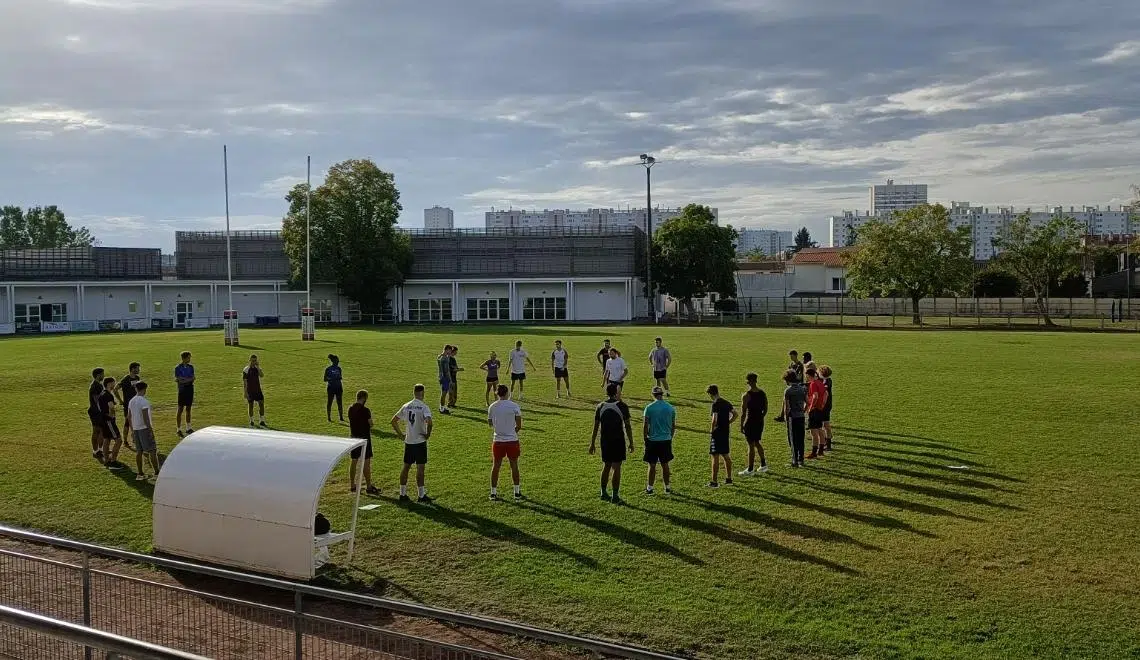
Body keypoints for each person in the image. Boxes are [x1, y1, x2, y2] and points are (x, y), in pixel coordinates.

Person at [590, 383, 633, 504]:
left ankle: (603, 492)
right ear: (616, 393)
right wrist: (631, 442)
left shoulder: (600, 406)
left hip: (605, 440)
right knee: (617, 467)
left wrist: (592, 442)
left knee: (606, 465)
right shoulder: (622, 406)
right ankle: (615, 496)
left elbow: (595, 426)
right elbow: (628, 426)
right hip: (618, 440)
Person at [390, 384, 434, 503]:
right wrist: (428, 434)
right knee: (420, 468)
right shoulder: (424, 407)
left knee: (406, 467)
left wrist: (400, 434)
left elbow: (393, 421)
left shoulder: (407, 405)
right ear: (423, 393)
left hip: (409, 441)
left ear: (414, 392)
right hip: (419, 441)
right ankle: (421, 495)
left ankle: (402, 493)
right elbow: (429, 423)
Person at [487, 384, 523, 501]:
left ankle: (493, 492)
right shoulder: (514, 406)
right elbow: (519, 425)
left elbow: (490, 423)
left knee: (496, 466)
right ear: (507, 393)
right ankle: (516, 492)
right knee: (514, 466)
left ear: (497, 393)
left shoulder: (492, 406)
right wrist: (511, 431)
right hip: (512, 440)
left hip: (498, 440)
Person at [642, 386, 676, 494]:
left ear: (653, 395)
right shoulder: (670, 408)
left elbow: (645, 425)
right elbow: (673, 425)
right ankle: (667, 487)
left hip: (652, 440)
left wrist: (645, 438)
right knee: (665, 464)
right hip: (666, 440)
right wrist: (670, 436)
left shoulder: (649, 407)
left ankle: (650, 488)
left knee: (651, 465)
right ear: (662, 394)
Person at [348, 390, 380, 495]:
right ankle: (369, 486)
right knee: (366, 462)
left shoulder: (350, 409)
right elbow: (371, 424)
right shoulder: (366, 410)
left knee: (354, 461)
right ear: (364, 398)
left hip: (353, 438)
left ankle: (352, 485)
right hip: (364, 439)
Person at [127, 381, 160, 481]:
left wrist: (132, 430)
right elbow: (146, 417)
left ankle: (140, 474)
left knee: (139, 451)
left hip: (136, 428)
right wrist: (150, 430)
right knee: (152, 450)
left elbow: (129, 417)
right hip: (144, 429)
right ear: (144, 389)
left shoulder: (131, 401)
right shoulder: (144, 401)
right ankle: (156, 473)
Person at [738, 373, 769, 476]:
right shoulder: (762, 393)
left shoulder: (746, 395)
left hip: (750, 421)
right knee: (757, 442)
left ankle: (750, 468)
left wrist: (741, 425)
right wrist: (760, 417)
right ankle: (763, 464)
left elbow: (743, 412)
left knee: (750, 445)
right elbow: (766, 409)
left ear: (748, 382)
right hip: (760, 421)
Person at [706, 385, 736, 487]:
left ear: (711, 394)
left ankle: (714, 481)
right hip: (725, 431)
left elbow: (714, 419)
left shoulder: (715, 404)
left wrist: (712, 430)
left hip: (717, 432)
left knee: (715, 456)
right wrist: (728, 422)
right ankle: (729, 478)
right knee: (726, 455)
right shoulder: (726, 402)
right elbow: (735, 414)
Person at [98, 376, 125, 471]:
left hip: (103, 420)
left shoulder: (102, 394)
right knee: (118, 440)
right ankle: (113, 461)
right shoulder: (108, 395)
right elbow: (111, 407)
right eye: (113, 383)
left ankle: (106, 459)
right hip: (109, 421)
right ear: (109, 384)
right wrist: (112, 416)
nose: (114, 384)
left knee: (107, 439)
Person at [782, 369, 808, 467]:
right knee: (801, 438)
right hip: (801, 416)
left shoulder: (788, 391)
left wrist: (785, 416)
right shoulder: (802, 389)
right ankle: (801, 459)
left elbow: (787, 406)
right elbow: (808, 402)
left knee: (792, 439)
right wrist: (803, 411)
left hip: (792, 417)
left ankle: (795, 460)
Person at [115, 362, 141, 450]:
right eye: (137, 368)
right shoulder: (126, 379)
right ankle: (125, 441)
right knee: (127, 423)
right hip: (128, 405)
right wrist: (120, 401)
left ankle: (135, 439)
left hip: (136, 404)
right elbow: (115, 389)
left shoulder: (137, 378)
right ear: (133, 369)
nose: (139, 370)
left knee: (136, 421)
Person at [806, 366, 829, 459]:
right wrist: (822, 404)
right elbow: (826, 394)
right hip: (820, 410)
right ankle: (821, 451)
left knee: (813, 432)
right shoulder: (820, 382)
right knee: (820, 430)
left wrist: (811, 407)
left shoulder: (813, 384)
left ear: (808, 375)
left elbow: (815, 396)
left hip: (815, 410)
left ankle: (814, 453)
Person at [87, 367, 107, 462]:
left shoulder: (97, 385)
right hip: (96, 412)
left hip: (96, 411)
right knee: (97, 431)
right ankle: (96, 451)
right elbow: (96, 399)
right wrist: (101, 410)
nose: (103, 376)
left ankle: (99, 450)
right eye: (102, 374)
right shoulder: (95, 386)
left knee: (100, 431)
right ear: (98, 375)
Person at [174, 351, 195, 436]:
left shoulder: (191, 367)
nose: (189, 359)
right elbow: (179, 379)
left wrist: (185, 380)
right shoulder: (178, 368)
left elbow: (193, 378)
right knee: (180, 409)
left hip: (190, 389)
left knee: (188, 408)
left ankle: (188, 427)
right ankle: (178, 429)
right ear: (184, 358)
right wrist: (188, 380)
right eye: (188, 357)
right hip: (182, 390)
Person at [243, 354, 267, 428]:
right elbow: (245, 382)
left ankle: (262, 420)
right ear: (249, 360)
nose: (254, 362)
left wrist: (258, 367)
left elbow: (262, 375)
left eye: (255, 361)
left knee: (261, 404)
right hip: (250, 390)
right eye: (252, 361)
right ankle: (252, 420)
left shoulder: (257, 368)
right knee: (251, 406)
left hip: (258, 390)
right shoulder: (246, 370)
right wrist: (245, 392)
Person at [324, 354, 344, 422]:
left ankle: (341, 417)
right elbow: (325, 379)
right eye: (337, 360)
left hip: (338, 387)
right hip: (331, 388)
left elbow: (340, 377)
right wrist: (332, 379)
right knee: (330, 402)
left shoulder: (339, 368)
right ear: (334, 361)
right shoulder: (328, 369)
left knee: (339, 402)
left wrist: (338, 378)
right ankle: (329, 417)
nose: (338, 361)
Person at [821, 365, 834, 451]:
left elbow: (824, 388)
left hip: (826, 405)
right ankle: (827, 440)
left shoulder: (827, 381)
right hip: (826, 405)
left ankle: (828, 443)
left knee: (826, 424)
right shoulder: (825, 380)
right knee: (824, 424)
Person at [436, 345, 453, 414]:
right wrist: (450, 379)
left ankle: (442, 407)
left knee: (444, 392)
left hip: (441, 377)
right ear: (447, 349)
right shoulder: (444, 358)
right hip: (445, 378)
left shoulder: (440, 356)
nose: (451, 352)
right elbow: (446, 370)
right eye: (450, 350)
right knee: (444, 393)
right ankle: (442, 408)